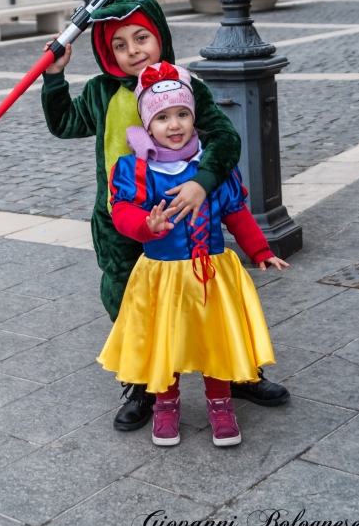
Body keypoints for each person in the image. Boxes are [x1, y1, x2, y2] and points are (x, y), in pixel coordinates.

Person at [41, 0, 288, 431]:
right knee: (133, 306)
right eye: (119, 44)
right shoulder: (101, 92)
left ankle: (236, 372)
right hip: (121, 220)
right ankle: (145, 385)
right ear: (106, 52)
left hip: (190, 221)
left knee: (210, 303)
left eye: (141, 38)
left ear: (160, 37)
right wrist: (55, 77)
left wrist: (201, 183)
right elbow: (63, 124)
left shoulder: (187, 84)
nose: (133, 50)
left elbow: (226, 140)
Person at [98, 62, 289, 446]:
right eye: (163, 117)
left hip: (210, 273)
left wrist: (260, 249)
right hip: (161, 276)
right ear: (147, 125)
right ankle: (165, 406)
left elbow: (236, 213)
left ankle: (221, 405)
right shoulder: (136, 170)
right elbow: (121, 213)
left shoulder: (210, 168)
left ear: (194, 118)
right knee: (164, 342)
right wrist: (145, 225)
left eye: (182, 114)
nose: (174, 124)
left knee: (214, 339)